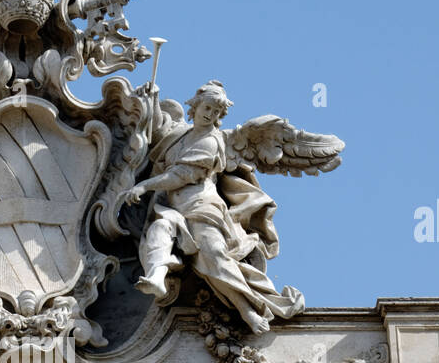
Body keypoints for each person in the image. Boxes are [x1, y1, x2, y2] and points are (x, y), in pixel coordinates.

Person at [125, 80, 304, 335]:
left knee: (213, 259)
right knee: (158, 231)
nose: (210, 115)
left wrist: (144, 187)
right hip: (173, 207)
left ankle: (249, 308)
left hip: (202, 208)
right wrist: (151, 99)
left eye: (217, 112)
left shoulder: (212, 141)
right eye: (207, 107)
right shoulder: (180, 133)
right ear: (196, 105)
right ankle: (157, 277)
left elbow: (181, 175)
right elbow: (156, 132)